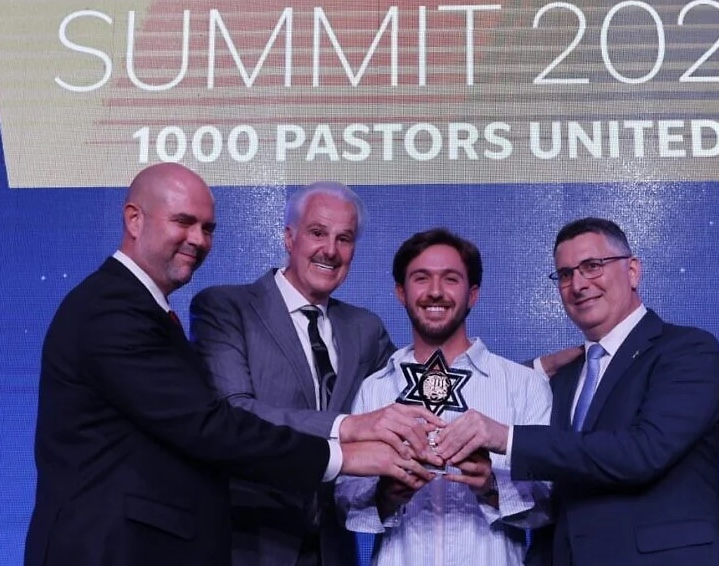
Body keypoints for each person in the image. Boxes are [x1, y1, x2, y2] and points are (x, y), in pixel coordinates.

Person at [25, 163, 435, 566]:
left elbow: (405, 395)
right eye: (183, 222)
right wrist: (346, 449)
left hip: (299, 544)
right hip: (114, 547)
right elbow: (211, 425)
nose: (197, 240)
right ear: (134, 219)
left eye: (207, 228)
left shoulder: (142, 309)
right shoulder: (114, 310)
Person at [435, 217, 719, 566]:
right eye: (565, 274)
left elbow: (642, 452)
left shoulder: (687, 350)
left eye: (592, 267)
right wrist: (536, 369)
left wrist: (508, 439)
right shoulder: (563, 378)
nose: (578, 284)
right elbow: (558, 482)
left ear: (633, 270)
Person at [190, 182, 426, 566]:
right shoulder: (226, 307)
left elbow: (422, 387)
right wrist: (347, 426)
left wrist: (532, 371)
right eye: (317, 233)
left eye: (344, 239)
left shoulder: (365, 329)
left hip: (332, 548)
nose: (330, 251)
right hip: (248, 541)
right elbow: (234, 412)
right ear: (289, 236)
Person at [335, 228, 553, 566]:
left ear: (473, 294)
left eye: (451, 279)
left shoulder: (524, 386)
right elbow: (345, 501)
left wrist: (492, 488)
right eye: (421, 278)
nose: (435, 292)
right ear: (400, 293)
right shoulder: (376, 389)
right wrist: (387, 494)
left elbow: (549, 503)